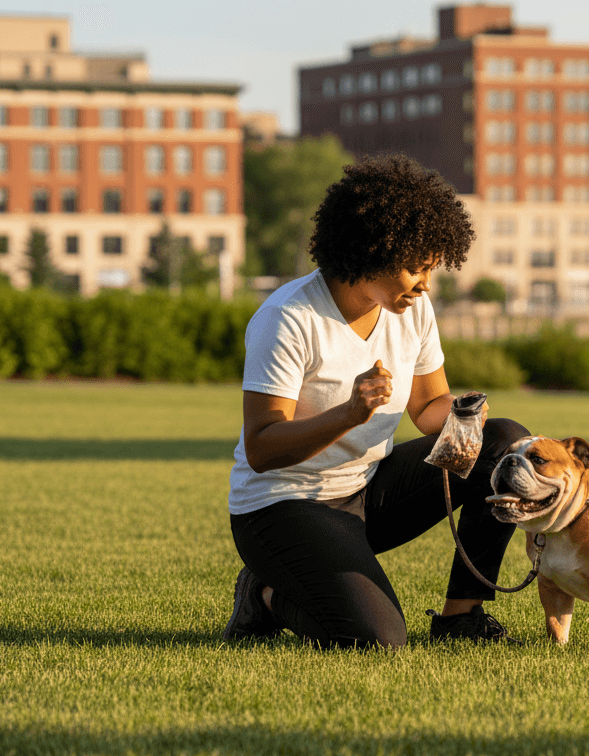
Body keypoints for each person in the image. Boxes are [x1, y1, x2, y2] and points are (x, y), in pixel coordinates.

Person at [223, 154, 531, 649]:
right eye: (414, 268)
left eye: (431, 268)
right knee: (378, 640)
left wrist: (462, 414)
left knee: (504, 443)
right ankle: (263, 596)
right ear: (371, 249)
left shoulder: (413, 311)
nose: (424, 284)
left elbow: (428, 408)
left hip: (366, 493)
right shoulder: (289, 317)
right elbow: (261, 448)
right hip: (281, 507)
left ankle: (462, 618)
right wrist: (350, 413)